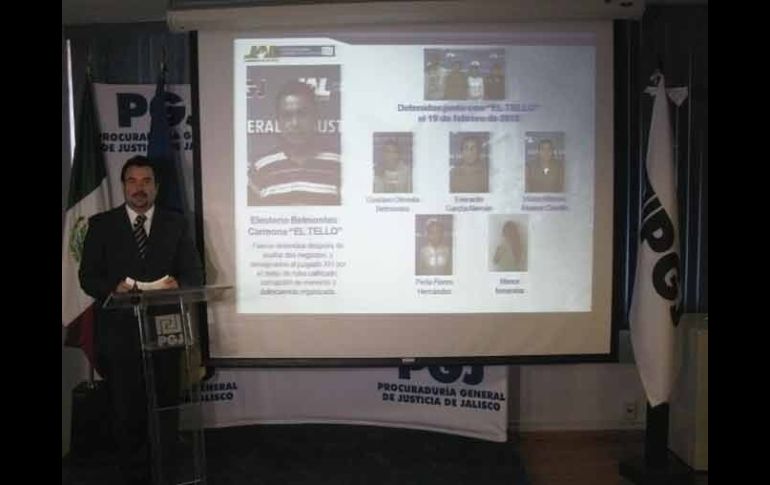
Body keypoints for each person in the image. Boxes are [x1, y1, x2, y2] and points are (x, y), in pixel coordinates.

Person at [79, 155, 204, 485]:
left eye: (146, 181)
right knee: (127, 411)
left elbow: (195, 274)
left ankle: (165, 471)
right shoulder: (101, 225)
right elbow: (87, 277)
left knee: (166, 407)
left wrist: (180, 284)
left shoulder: (176, 223)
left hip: (165, 332)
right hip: (119, 335)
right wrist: (112, 287)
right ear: (123, 186)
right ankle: (134, 475)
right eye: (132, 181)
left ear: (157, 187)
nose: (139, 188)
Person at [248, 80, 341, 205]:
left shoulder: (340, 165)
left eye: (302, 114)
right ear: (278, 122)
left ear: (315, 117)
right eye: (287, 116)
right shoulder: (260, 168)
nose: (295, 123)